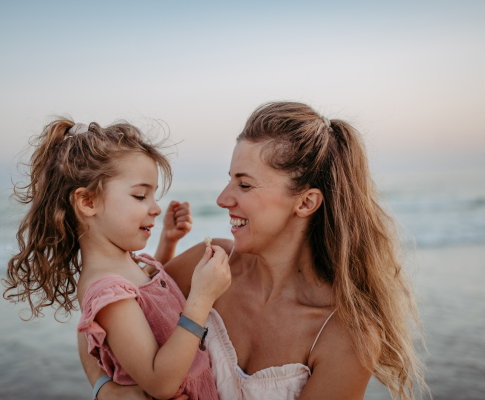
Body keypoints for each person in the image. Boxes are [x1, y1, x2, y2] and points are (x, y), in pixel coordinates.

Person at [80, 102, 426, 400]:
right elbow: (100, 316)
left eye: (244, 184)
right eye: (230, 179)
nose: (222, 199)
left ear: (306, 202)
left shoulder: (346, 336)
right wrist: (106, 390)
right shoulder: (208, 265)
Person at [3, 119, 232, 400]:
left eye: (153, 196)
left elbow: (148, 300)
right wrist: (201, 298)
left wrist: (168, 241)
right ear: (88, 202)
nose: (156, 208)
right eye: (140, 195)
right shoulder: (107, 290)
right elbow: (160, 383)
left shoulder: (124, 266)